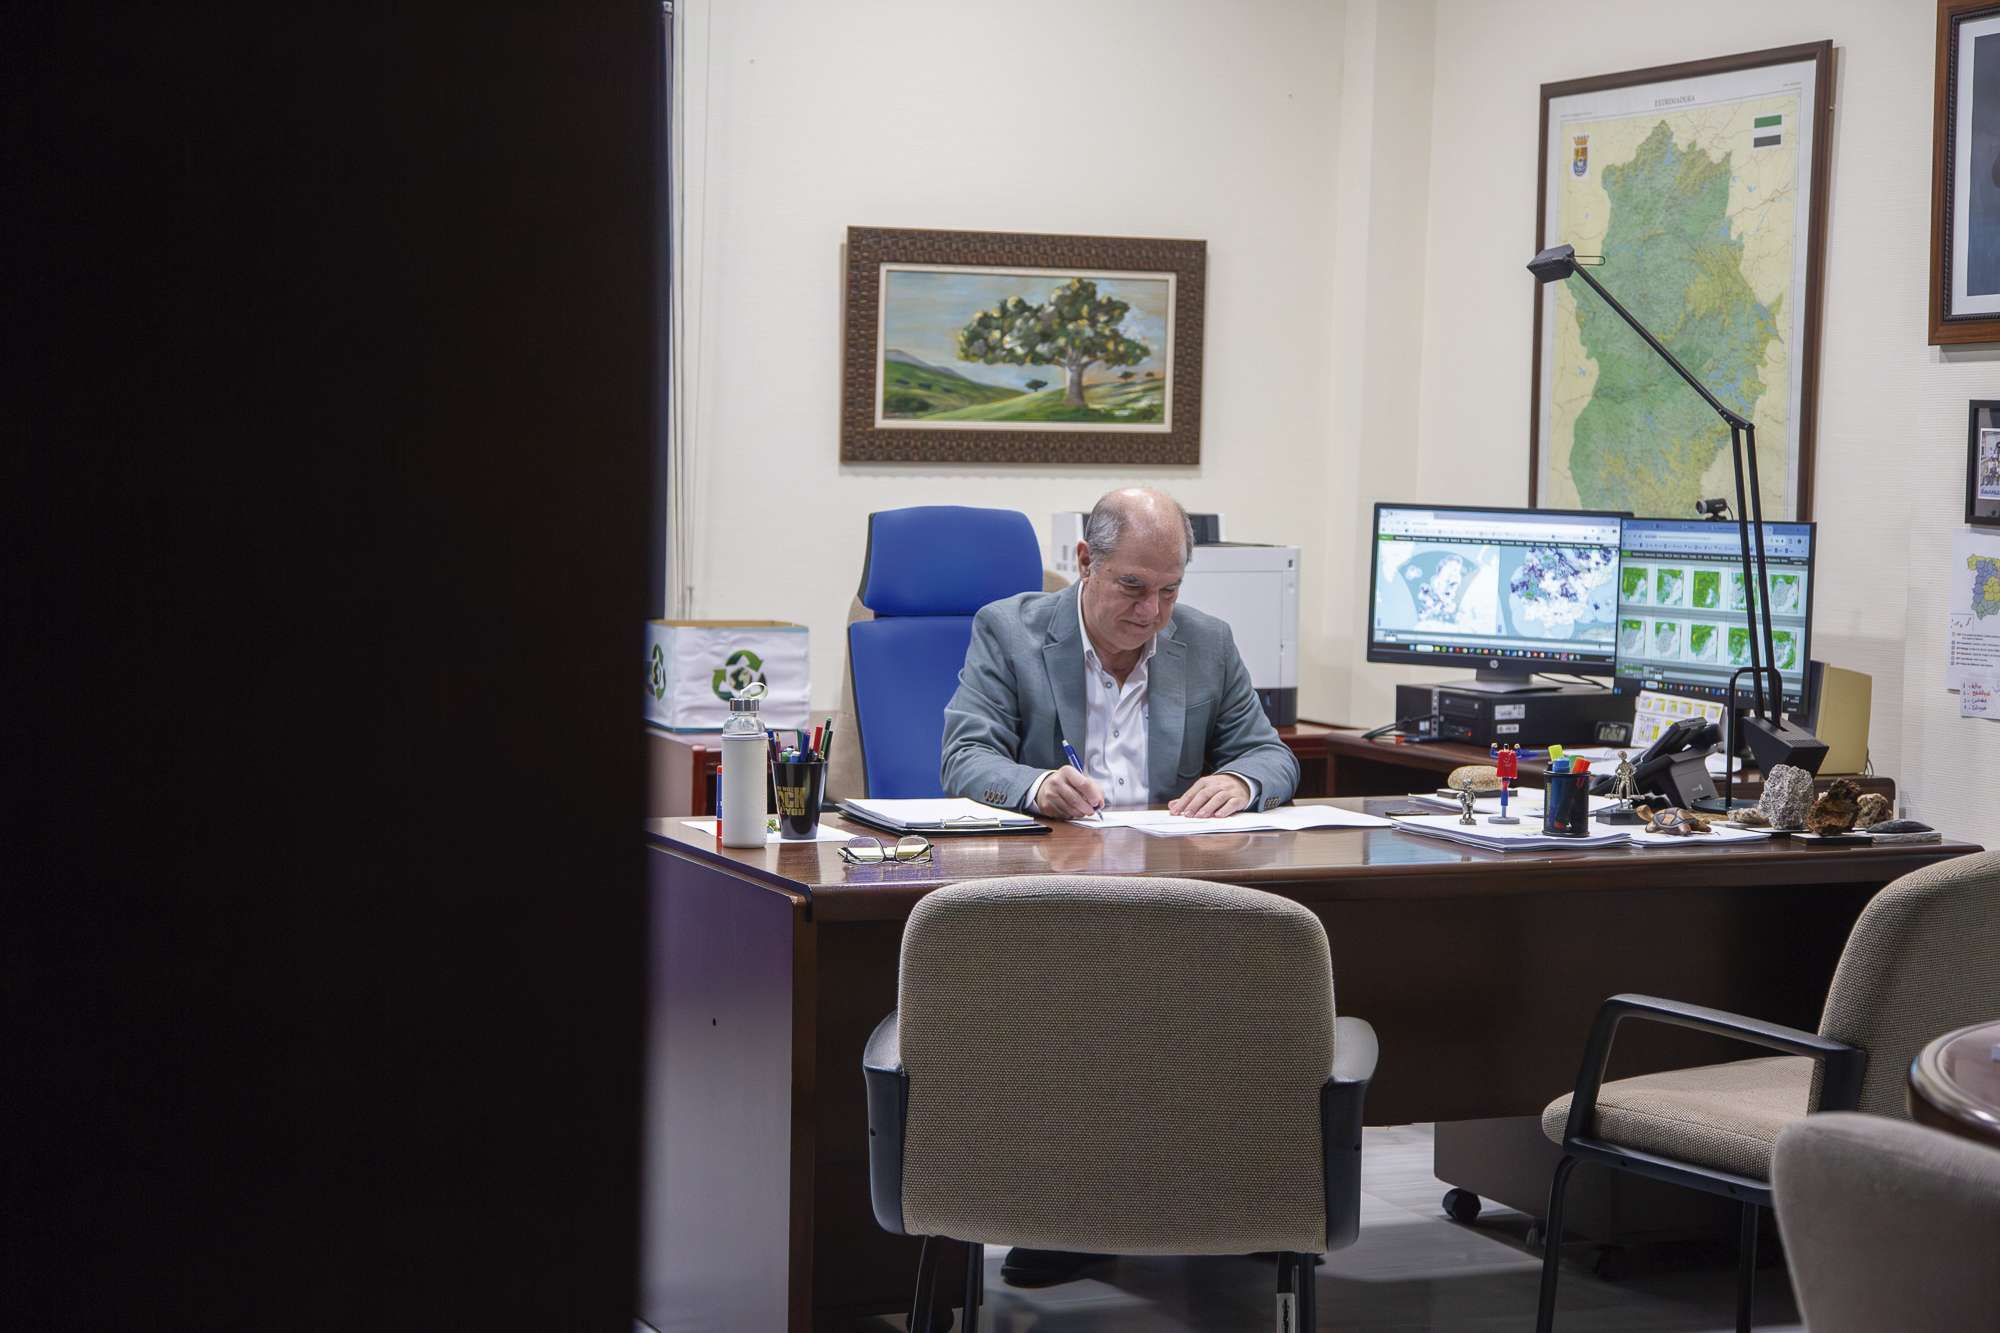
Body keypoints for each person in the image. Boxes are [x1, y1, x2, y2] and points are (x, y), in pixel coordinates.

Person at [939, 486, 1301, 1288]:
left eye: (1170, 590)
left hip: (1178, 890)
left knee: (1255, 984)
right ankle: (1074, 1212)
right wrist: (1036, 786)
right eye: (1134, 587)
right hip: (1052, 894)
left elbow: (1274, 756)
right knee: (1093, 1000)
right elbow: (965, 757)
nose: (1153, 612)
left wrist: (1240, 782)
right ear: (1083, 563)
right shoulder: (1010, 630)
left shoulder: (1206, 643)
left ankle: (1238, 1206)